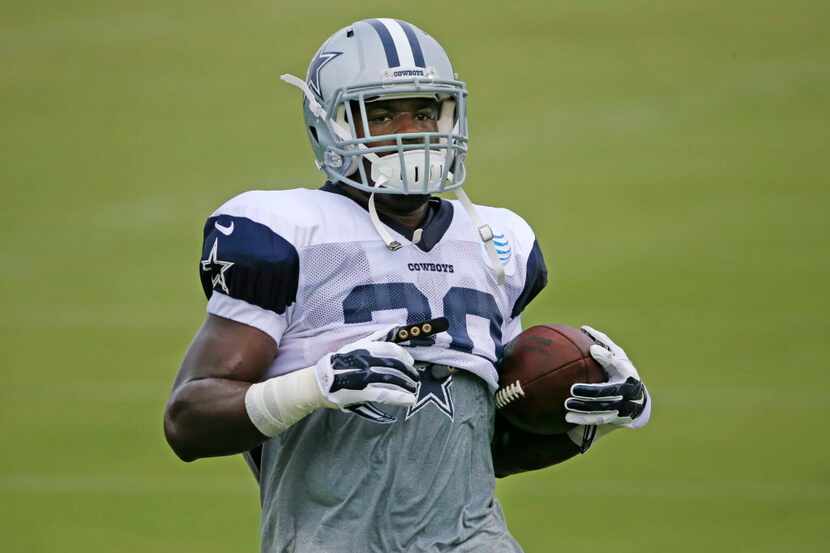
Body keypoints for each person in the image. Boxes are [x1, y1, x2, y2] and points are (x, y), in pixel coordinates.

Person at [163, 18, 651, 552]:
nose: (408, 131)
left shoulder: (499, 242)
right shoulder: (286, 234)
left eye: (423, 111)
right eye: (380, 114)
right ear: (331, 124)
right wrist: (312, 387)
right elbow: (188, 422)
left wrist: (587, 420)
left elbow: (476, 452)